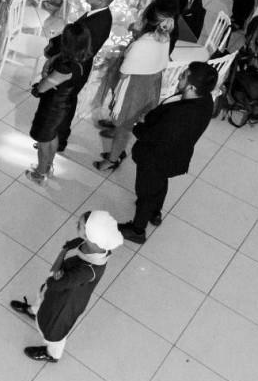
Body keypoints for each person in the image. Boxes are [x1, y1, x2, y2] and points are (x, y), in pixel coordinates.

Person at [115, 60, 218, 243]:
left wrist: (138, 125)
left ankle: (137, 230)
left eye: (184, 76)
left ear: (192, 87)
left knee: (145, 191)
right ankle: (155, 212)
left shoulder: (180, 115)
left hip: (156, 158)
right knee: (160, 184)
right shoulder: (205, 100)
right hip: (173, 157)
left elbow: (152, 134)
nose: (180, 77)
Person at [11, 210, 123, 361]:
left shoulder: (87, 270)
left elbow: (56, 283)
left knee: (55, 330)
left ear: (91, 237)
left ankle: (52, 354)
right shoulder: (88, 244)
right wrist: (56, 278)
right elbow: (58, 276)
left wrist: (55, 278)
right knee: (44, 297)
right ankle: (34, 311)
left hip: (64, 303)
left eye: (80, 226)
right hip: (58, 289)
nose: (76, 225)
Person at [94, 0, 176, 171]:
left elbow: (123, 73)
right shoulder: (164, 37)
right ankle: (116, 133)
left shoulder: (140, 45)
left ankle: (113, 158)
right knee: (126, 122)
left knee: (125, 126)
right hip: (151, 84)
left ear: (147, 20)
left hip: (133, 88)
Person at [25, 25, 92, 183]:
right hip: (66, 102)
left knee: (43, 141)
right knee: (53, 135)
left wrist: (38, 87)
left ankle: (40, 173)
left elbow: (45, 84)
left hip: (53, 106)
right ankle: (48, 166)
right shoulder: (86, 56)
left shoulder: (66, 66)